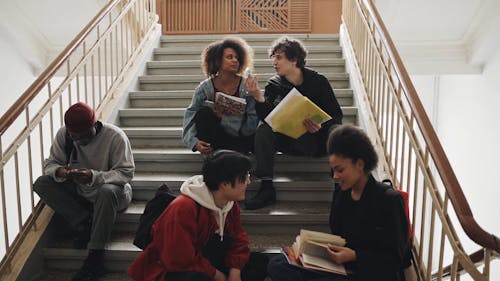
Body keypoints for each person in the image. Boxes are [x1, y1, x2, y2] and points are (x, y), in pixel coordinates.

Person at [267, 125, 412, 281]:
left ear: (360, 164)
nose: (335, 177)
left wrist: (355, 256)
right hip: (341, 266)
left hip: (369, 271)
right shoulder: (342, 192)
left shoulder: (389, 200)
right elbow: (339, 235)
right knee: (278, 264)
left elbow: (396, 259)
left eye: (340, 170)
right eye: (333, 171)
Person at [128, 150, 268, 281]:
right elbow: (179, 258)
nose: (249, 182)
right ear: (225, 183)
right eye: (244, 178)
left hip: (206, 258)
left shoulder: (229, 204)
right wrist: (218, 276)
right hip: (173, 267)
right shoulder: (184, 207)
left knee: (259, 262)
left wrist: (235, 270)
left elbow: (239, 238)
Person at [33, 102, 135, 281]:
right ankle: (85, 221)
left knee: (107, 191)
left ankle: (95, 257)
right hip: (82, 191)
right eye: (76, 137)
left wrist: (93, 176)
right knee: (42, 183)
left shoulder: (115, 137)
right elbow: (50, 164)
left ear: (95, 125)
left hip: (114, 193)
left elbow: (125, 173)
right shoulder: (64, 135)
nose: (81, 141)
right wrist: (61, 172)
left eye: (86, 136)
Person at [244, 36, 344, 210]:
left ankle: (340, 189)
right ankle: (267, 188)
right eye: (273, 58)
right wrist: (258, 97)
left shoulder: (318, 81)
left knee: (337, 131)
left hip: (315, 141)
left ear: (294, 59)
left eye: (279, 57)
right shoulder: (273, 85)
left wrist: (321, 126)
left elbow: (336, 115)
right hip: (287, 140)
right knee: (263, 130)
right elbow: (268, 119)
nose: (274, 62)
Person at [182, 37, 259, 157]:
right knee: (203, 113)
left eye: (237, 58)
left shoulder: (246, 87)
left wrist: (226, 119)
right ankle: (211, 156)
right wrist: (194, 142)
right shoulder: (205, 88)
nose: (235, 61)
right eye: (230, 57)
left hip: (240, 139)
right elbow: (191, 115)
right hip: (216, 138)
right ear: (217, 61)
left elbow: (252, 124)